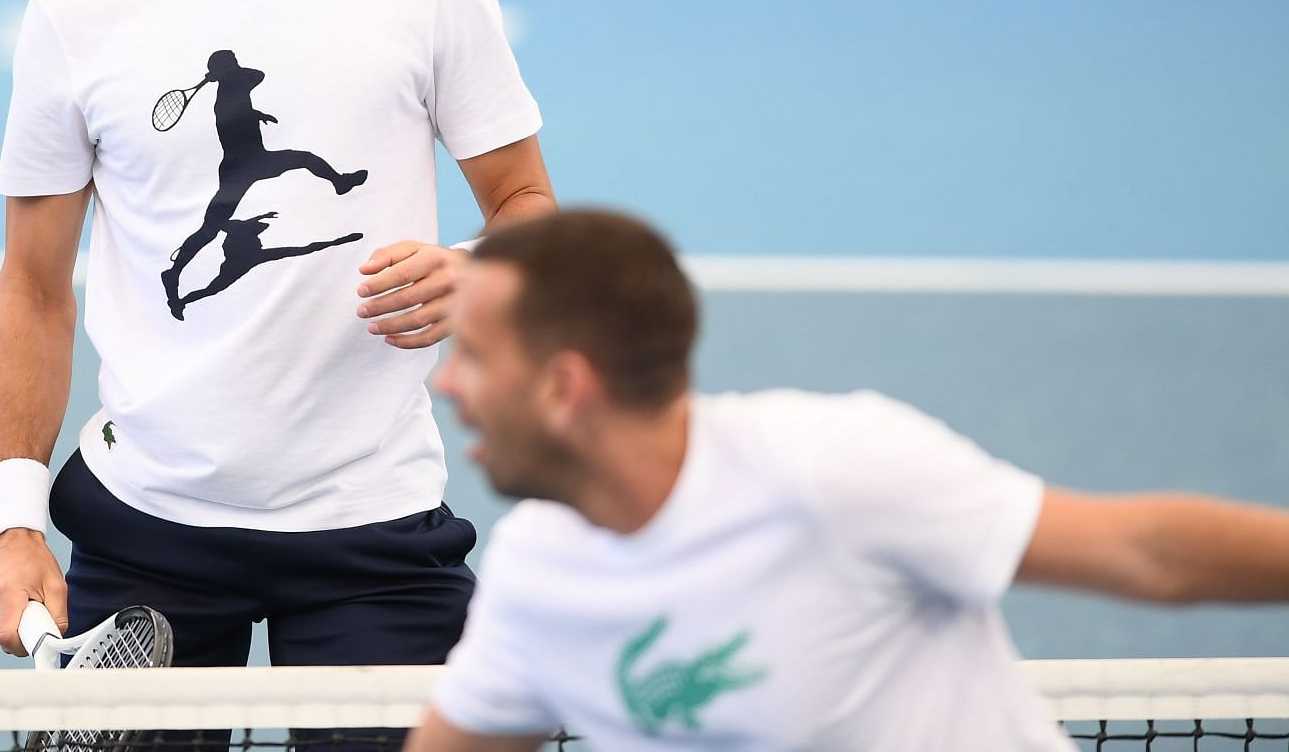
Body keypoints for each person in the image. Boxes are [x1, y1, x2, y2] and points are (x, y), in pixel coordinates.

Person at [0, 0, 556, 676]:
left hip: (371, 529)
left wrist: (479, 272)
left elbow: (527, 207)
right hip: (147, 530)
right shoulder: (77, 8)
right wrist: (10, 520)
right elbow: (34, 289)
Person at [412, 209, 1289, 751]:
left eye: (476, 357)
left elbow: (1147, 554)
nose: (447, 382)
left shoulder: (834, 470)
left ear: (567, 386)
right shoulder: (536, 569)